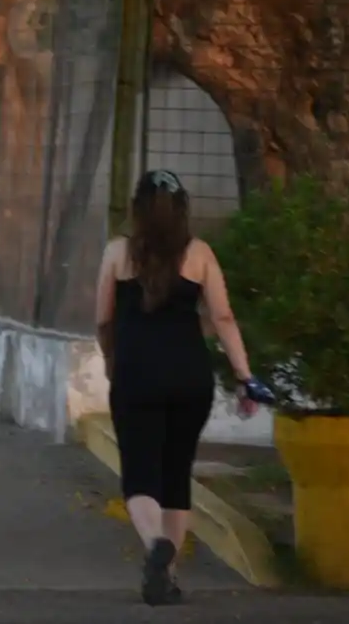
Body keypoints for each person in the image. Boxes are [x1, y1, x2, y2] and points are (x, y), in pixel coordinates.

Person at [94, 169, 259, 606]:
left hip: (135, 375)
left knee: (140, 475)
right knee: (175, 474)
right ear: (182, 208)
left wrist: (112, 361)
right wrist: (245, 376)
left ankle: (155, 547)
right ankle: (164, 578)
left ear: (137, 209)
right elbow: (223, 318)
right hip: (190, 378)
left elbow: (104, 320)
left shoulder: (117, 253)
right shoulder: (200, 254)